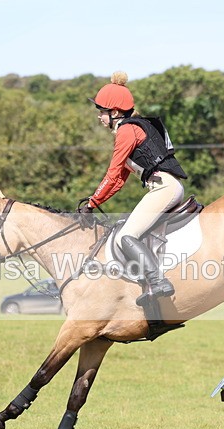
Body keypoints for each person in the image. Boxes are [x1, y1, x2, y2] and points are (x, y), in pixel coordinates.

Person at [78, 71, 188, 301]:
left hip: (163, 188)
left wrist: (91, 203)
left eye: (102, 112)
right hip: (164, 186)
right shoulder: (129, 128)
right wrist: (95, 201)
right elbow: (119, 180)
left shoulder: (127, 130)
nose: (99, 117)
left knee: (125, 236)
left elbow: (112, 172)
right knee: (129, 230)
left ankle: (158, 282)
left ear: (115, 112)